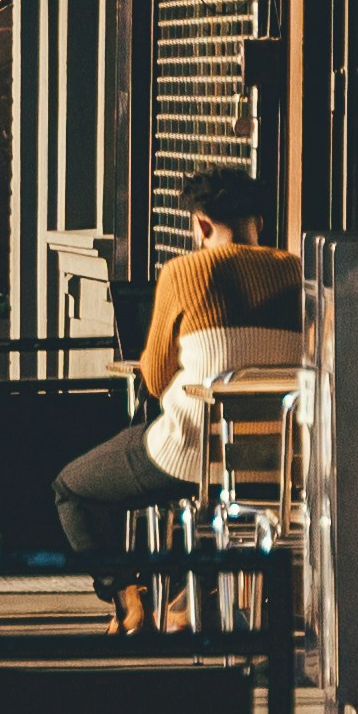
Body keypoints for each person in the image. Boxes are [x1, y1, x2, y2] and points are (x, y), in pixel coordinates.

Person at [52, 162, 305, 588]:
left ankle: (124, 596)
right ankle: (188, 605)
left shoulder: (183, 273)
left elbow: (152, 377)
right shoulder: (297, 271)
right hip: (278, 463)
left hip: (192, 455)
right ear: (257, 223)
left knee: (70, 489)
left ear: (202, 226)